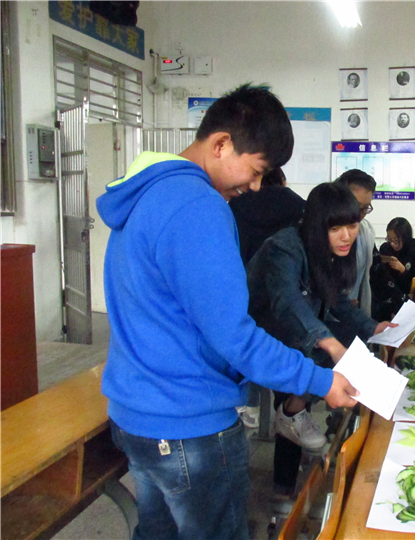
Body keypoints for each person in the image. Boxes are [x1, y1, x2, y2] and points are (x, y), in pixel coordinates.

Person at [96, 84, 358, 540]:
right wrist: (320, 381)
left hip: (137, 416)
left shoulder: (146, 193)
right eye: (256, 170)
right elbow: (235, 336)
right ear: (220, 144)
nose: (255, 186)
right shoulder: (198, 207)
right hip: (188, 425)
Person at [246, 182, 395, 494]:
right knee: (316, 353)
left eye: (352, 225)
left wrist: (373, 327)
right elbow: (287, 303)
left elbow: (337, 301)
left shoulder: (330, 252)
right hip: (261, 330)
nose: (346, 236)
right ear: (317, 225)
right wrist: (327, 342)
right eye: (335, 228)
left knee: (346, 343)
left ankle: (293, 417)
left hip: (294, 327)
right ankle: (284, 488)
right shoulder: (284, 247)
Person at [229, 167, 305, 428]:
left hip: (243, 295)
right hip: (283, 300)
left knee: (244, 351)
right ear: (282, 180)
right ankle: (288, 424)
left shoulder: (234, 205)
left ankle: (245, 406)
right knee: (287, 367)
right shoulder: (298, 206)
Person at [373, 217, 415, 321]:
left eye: (396, 240)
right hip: (387, 293)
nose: (392, 244)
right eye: (389, 239)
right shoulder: (385, 248)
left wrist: (403, 270)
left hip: (405, 294)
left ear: (405, 237)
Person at [335, 169, 376, 316]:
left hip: (353, 314)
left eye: (365, 208)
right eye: (356, 207)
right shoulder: (326, 233)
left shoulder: (366, 231)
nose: (359, 214)